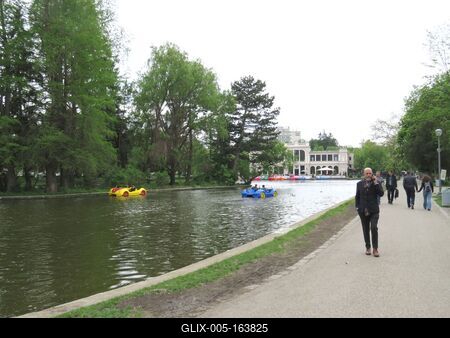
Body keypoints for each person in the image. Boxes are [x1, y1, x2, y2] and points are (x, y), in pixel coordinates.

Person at [355, 168, 384, 257]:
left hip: (374, 210)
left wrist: (376, 183)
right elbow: (357, 196)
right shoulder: (359, 184)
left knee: (374, 227)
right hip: (363, 210)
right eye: (366, 173)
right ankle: (368, 247)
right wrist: (357, 207)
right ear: (364, 174)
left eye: (370, 173)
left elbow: (381, 193)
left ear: (372, 174)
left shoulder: (376, 183)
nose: (368, 175)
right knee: (365, 229)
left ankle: (375, 249)